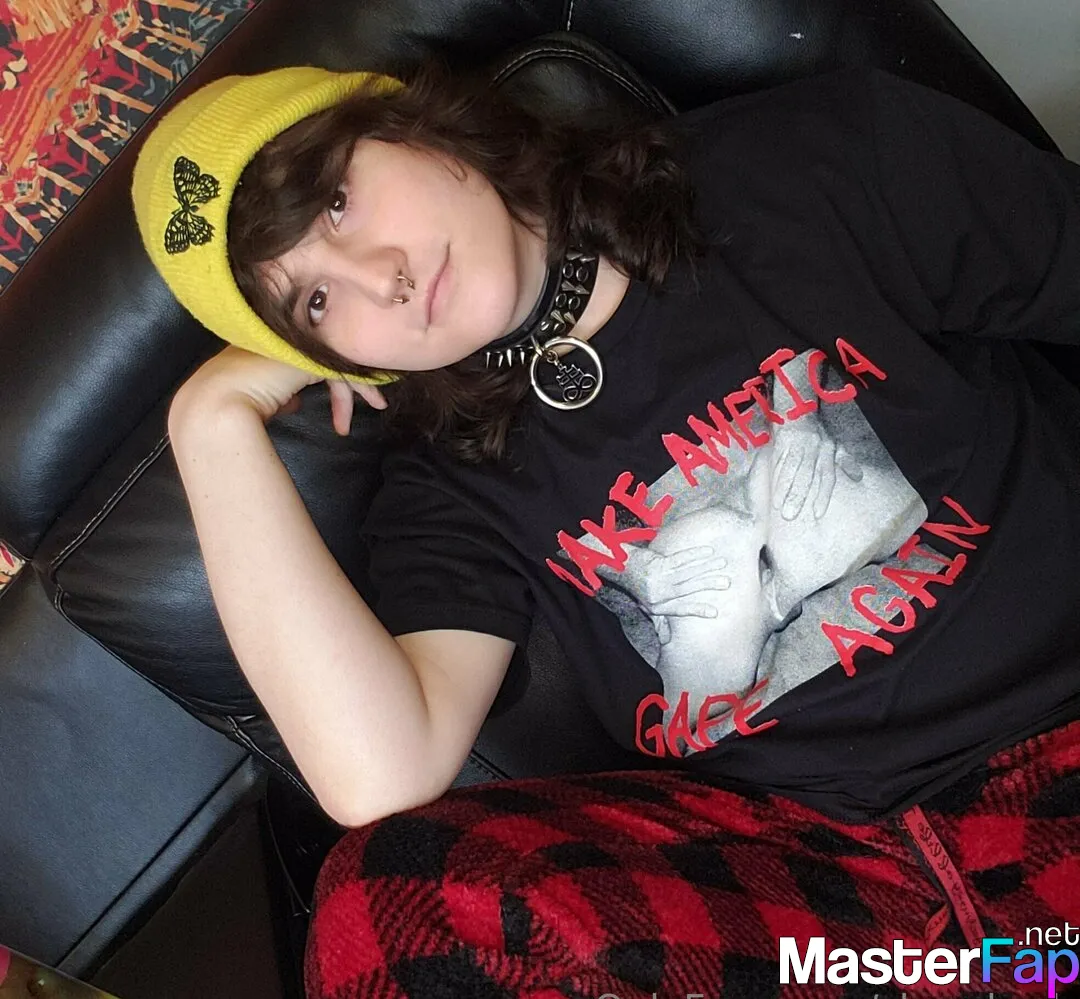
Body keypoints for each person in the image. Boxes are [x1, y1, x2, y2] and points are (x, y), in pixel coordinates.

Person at [132, 59, 1080, 997]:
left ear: (411, 125)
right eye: (315, 302)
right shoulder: (449, 483)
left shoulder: (810, 159)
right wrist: (209, 426)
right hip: (841, 904)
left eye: (337, 202)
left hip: (1055, 741)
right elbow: (378, 777)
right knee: (388, 905)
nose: (382, 281)